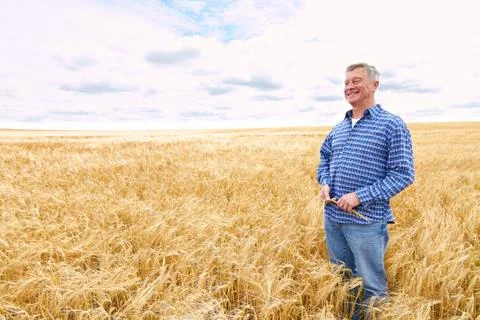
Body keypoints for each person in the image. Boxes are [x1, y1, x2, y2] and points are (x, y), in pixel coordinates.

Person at [316, 62, 415, 319]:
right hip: (334, 219)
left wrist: (360, 196)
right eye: (347, 82)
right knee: (343, 281)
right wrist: (324, 183)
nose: (350, 86)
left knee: (371, 284)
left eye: (356, 81)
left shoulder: (391, 125)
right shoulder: (339, 127)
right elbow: (324, 157)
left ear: (374, 85)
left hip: (366, 222)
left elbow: (403, 174)